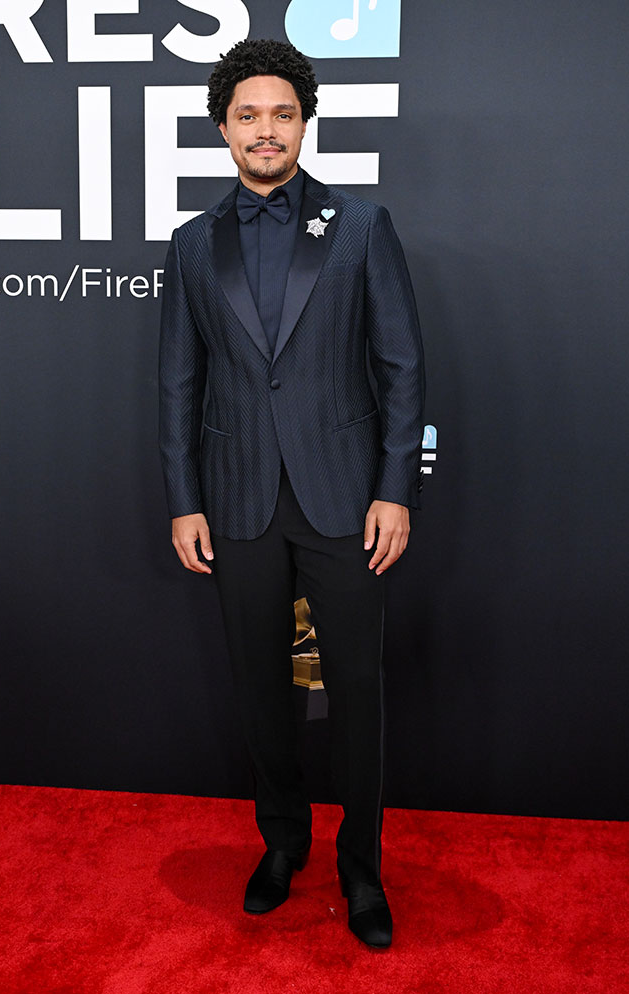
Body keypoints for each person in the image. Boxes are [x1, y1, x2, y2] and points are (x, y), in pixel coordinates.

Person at [158, 38, 425, 949]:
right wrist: (183, 498)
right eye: (247, 115)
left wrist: (394, 490)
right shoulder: (193, 245)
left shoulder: (359, 227)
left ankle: (362, 870)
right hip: (235, 503)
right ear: (223, 129)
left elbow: (401, 366)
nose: (264, 130)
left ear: (304, 123)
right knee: (262, 690)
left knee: (356, 688)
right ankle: (282, 845)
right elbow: (177, 385)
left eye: (281, 113)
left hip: (347, 501)